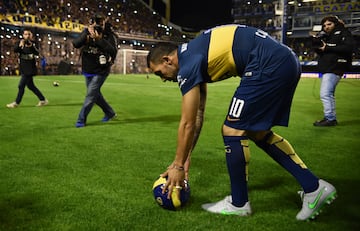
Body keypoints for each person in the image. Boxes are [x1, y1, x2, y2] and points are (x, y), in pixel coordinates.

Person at [147, 24, 337, 221]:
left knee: (232, 130)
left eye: (159, 73)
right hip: (284, 61)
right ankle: (313, 187)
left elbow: (186, 122)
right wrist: (185, 158)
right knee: (258, 132)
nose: (163, 79)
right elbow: (197, 115)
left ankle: (239, 203)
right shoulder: (194, 54)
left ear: (167, 60)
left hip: (267, 65)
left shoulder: (188, 65)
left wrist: (177, 166)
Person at [72, 14, 118, 128]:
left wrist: (99, 40)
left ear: (104, 22)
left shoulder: (109, 35)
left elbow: (113, 51)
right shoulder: (87, 32)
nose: (99, 24)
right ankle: (110, 112)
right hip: (88, 69)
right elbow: (76, 44)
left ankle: (81, 120)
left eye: (101, 22)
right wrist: (86, 32)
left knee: (90, 95)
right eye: (96, 21)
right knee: (96, 95)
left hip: (101, 71)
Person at [312, 15, 354, 126]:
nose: (326, 27)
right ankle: (330, 118)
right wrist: (318, 45)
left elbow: (349, 48)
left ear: (335, 23)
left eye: (329, 24)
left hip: (336, 66)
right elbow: (321, 50)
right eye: (324, 25)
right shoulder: (326, 36)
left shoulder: (343, 32)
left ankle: (330, 119)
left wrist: (328, 47)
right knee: (328, 94)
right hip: (328, 67)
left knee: (325, 94)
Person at [6, 29, 48, 108]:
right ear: (23, 35)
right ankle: (43, 100)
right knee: (31, 86)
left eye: (28, 34)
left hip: (30, 69)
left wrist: (31, 46)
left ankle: (16, 103)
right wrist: (20, 45)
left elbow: (37, 53)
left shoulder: (33, 44)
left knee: (21, 86)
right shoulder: (19, 43)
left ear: (31, 35)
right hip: (23, 68)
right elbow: (15, 50)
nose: (27, 36)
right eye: (25, 34)